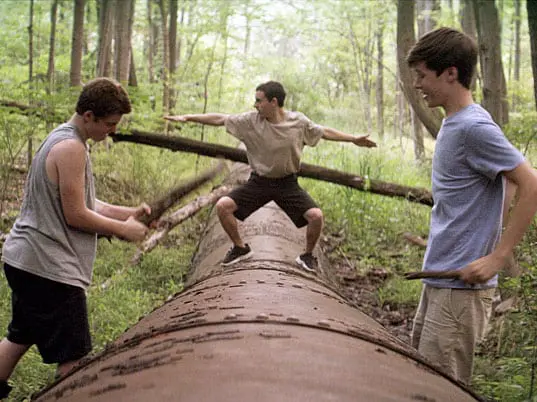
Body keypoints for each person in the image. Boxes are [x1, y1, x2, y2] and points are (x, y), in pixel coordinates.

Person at [0, 77, 152, 399]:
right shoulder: (72, 148)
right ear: (88, 116)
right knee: (74, 362)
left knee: (18, 339)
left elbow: (84, 201)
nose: (112, 131)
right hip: (48, 268)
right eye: (109, 124)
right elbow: (76, 215)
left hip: (26, 262)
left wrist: (127, 213)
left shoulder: (62, 138)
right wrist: (122, 230)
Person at [407, 27, 537, 385]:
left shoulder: (473, 127)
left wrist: (497, 256)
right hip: (442, 277)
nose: (417, 84)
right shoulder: (456, 123)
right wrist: (485, 225)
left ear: (450, 73)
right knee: (419, 378)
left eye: (422, 75)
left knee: (438, 388)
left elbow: (530, 181)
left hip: (460, 292)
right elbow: (510, 180)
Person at [165, 81, 376, 272]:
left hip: (287, 184)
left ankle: (307, 256)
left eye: (259, 101)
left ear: (274, 102)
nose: (255, 105)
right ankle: (240, 248)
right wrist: (188, 117)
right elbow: (221, 118)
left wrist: (353, 139)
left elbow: (324, 132)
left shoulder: (298, 122)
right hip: (259, 182)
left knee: (316, 217)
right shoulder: (251, 121)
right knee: (223, 207)